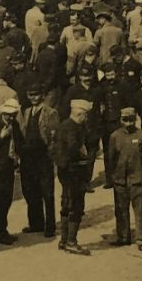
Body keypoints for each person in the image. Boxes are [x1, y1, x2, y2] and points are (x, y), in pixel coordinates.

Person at [50, 98, 95, 256]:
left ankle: (64, 240)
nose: (86, 118)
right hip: (74, 173)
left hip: (66, 172)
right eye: (85, 115)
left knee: (66, 204)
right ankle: (71, 242)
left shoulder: (64, 125)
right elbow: (73, 148)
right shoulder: (73, 128)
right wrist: (84, 156)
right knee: (76, 206)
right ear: (79, 113)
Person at [16, 83, 58, 238]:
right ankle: (36, 223)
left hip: (43, 157)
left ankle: (50, 225)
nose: (33, 98)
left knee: (47, 192)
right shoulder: (26, 112)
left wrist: (50, 155)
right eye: (30, 95)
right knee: (30, 190)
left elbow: (54, 137)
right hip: (29, 157)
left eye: (36, 94)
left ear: (42, 94)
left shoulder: (50, 112)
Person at [107, 105, 142, 250]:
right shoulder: (114, 136)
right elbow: (111, 158)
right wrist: (114, 177)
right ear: (120, 120)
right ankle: (123, 237)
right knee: (120, 210)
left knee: (140, 210)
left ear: (136, 119)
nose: (128, 124)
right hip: (120, 180)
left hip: (137, 179)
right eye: (125, 120)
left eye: (131, 120)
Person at [0, 98, 21, 246]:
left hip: (8, 167)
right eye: (8, 114)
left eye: (13, 114)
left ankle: (3, 230)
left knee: (7, 200)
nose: (10, 117)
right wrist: (0, 137)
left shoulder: (14, 124)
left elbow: (19, 141)